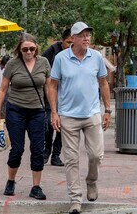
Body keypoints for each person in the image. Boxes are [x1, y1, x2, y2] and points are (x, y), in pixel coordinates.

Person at [49, 22, 111, 214]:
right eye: (82, 35)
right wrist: (54, 112)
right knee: (71, 159)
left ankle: (91, 181)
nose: (86, 38)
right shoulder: (60, 58)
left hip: (92, 114)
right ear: (72, 39)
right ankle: (75, 199)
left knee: (95, 155)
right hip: (68, 116)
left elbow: (103, 83)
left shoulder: (97, 57)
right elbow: (52, 86)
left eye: (88, 35)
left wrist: (107, 110)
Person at [0, 33, 50, 200]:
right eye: (25, 49)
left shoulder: (44, 63)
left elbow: (49, 89)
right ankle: (11, 180)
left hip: (37, 111)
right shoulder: (12, 64)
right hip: (16, 110)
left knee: (38, 149)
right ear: (19, 49)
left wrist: (54, 110)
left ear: (36, 48)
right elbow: (2, 89)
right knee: (17, 148)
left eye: (32, 48)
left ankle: (36, 186)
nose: (29, 52)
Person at [41, 28, 73, 167]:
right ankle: (46, 150)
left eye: (73, 43)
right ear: (62, 40)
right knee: (49, 124)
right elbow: (42, 66)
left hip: (67, 95)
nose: (70, 46)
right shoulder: (52, 51)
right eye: (68, 42)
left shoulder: (75, 53)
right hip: (52, 93)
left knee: (63, 125)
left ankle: (56, 155)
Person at [0, 55, 10, 119]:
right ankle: (6, 118)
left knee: (0, 103)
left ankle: (1, 118)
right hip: (6, 87)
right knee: (6, 103)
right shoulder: (7, 68)